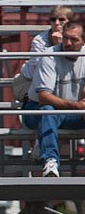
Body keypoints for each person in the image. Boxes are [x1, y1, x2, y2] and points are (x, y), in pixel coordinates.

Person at [22, 20, 85, 177]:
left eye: (74, 39)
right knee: (48, 110)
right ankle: (50, 162)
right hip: (36, 110)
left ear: (83, 41)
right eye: (65, 38)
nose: (67, 43)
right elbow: (44, 97)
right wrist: (77, 106)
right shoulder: (50, 56)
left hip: (72, 111)